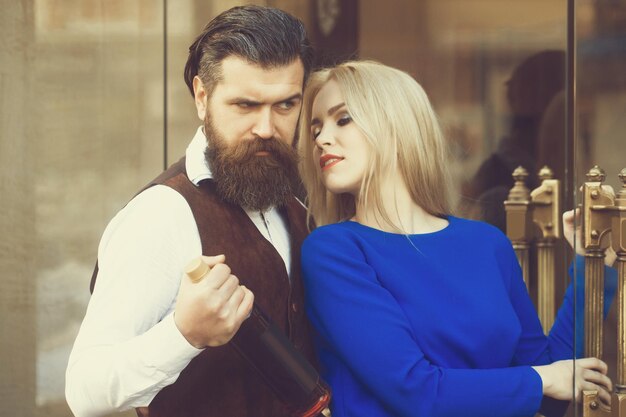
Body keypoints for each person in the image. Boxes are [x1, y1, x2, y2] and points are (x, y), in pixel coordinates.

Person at [297, 60, 615, 417]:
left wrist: (592, 266)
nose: (322, 139)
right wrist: (542, 380)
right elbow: (415, 391)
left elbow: (552, 388)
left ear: (396, 126)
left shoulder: (487, 244)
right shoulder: (334, 251)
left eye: (343, 119)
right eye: (315, 130)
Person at [66, 5, 315, 417]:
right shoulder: (160, 214)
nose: (267, 128)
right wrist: (183, 334)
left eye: (285, 105)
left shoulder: (292, 202)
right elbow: (85, 389)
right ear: (202, 97)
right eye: (245, 106)